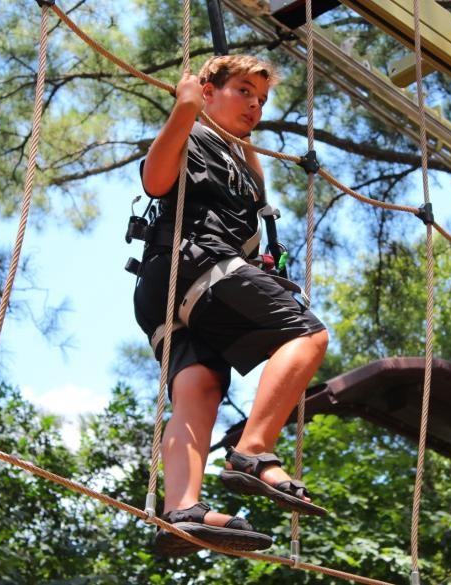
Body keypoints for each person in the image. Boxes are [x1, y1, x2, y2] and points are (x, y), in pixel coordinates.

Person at [133, 54, 329, 556]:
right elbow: (155, 180)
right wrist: (185, 108)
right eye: (243, 91)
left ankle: (182, 506)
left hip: (165, 290)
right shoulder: (194, 135)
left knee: (201, 385)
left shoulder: (238, 160)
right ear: (208, 90)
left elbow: (253, 188)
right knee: (307, 334)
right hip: (198, 262)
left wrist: (248, 148)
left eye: (261, 100)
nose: (255, 106)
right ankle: (253, 451)